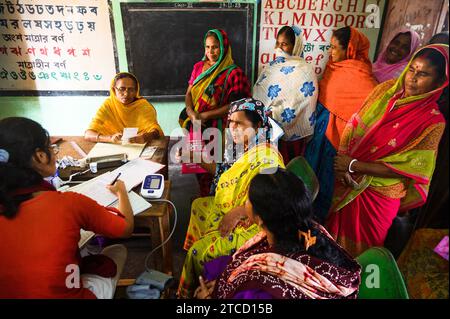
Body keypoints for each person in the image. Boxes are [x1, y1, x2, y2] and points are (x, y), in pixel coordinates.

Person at [327, 44, 449, 257]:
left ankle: (357, 286)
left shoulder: (432, 121)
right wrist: (344, 164)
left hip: (379, 194)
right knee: (333, 240)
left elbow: (409, 168)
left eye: (423, 74)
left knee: (364, 251)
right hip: (347, 177)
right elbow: (356, 123)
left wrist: (354, 165)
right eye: (412, 69)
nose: (413, 77)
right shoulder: (385, 91)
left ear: (439, 82)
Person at [0, 117, 134, 298]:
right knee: (117, 250)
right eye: (52, 148)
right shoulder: (68, 203)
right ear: (39, 156)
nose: (54, 153)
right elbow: (125, 228)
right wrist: (121, 192)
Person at [193, 169, 361, 299]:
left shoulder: (261, 288)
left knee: (209, 267)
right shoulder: (310, 229)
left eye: (248, 200)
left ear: (259, 219)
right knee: (215, 267)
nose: (244, 204)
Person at [177, 98, 285, 298]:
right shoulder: (240, 146)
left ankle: (193, 285)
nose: (233, 128)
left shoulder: (267, 156)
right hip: (237, 205)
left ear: (258, 125)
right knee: (199, 205)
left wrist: (239, 211)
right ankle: (203, 270)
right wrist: (196, 157)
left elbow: (275, 197)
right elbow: (222, 173)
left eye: (240, 123)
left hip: (255, 222)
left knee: (200, 251)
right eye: (231, 122)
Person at [304, 26, 378, 222]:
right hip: (320, 135)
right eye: (330, 46)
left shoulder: (364, 79)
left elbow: (365, 115)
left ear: (350, 50)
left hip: (338, 142)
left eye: (335, 48)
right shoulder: (332, 69)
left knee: (327, 182)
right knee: (309, 178)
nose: (330, 51)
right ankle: (303, 217)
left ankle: (320, 225)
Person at [180, 29, 251, 196]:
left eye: (215, 47)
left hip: (221, 129)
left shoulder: (234, 73)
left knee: (218, 168)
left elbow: (237, 105)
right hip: (197, 125)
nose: (210, 52)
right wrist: (190, 112)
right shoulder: (198, 67)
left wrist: (206, 115)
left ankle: (218, 202)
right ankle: (204, 199)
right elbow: (189, 92)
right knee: (198, 164)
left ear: (224, 47)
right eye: (207, 47)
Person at [253, 25, 318, 164]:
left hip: (291, 137)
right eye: (277, 43)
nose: (279, 48)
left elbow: (302, 103)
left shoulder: (305, 70)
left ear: (295, 46)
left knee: (286, 168)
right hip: (267, 129)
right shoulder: (272, 66)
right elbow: (260, 92)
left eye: (284, 44)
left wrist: (275, 113)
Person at [85, 72, 163, 144]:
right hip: (112, 147)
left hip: (139, 147)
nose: (126, 94)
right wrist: (110, 138)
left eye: (131, 89)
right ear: (114, 89)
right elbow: (88, 134)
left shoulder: (143, 106)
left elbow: (155, 131)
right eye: (121, 89)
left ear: (136, 91)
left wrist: (145, 137)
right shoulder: (108, 105)